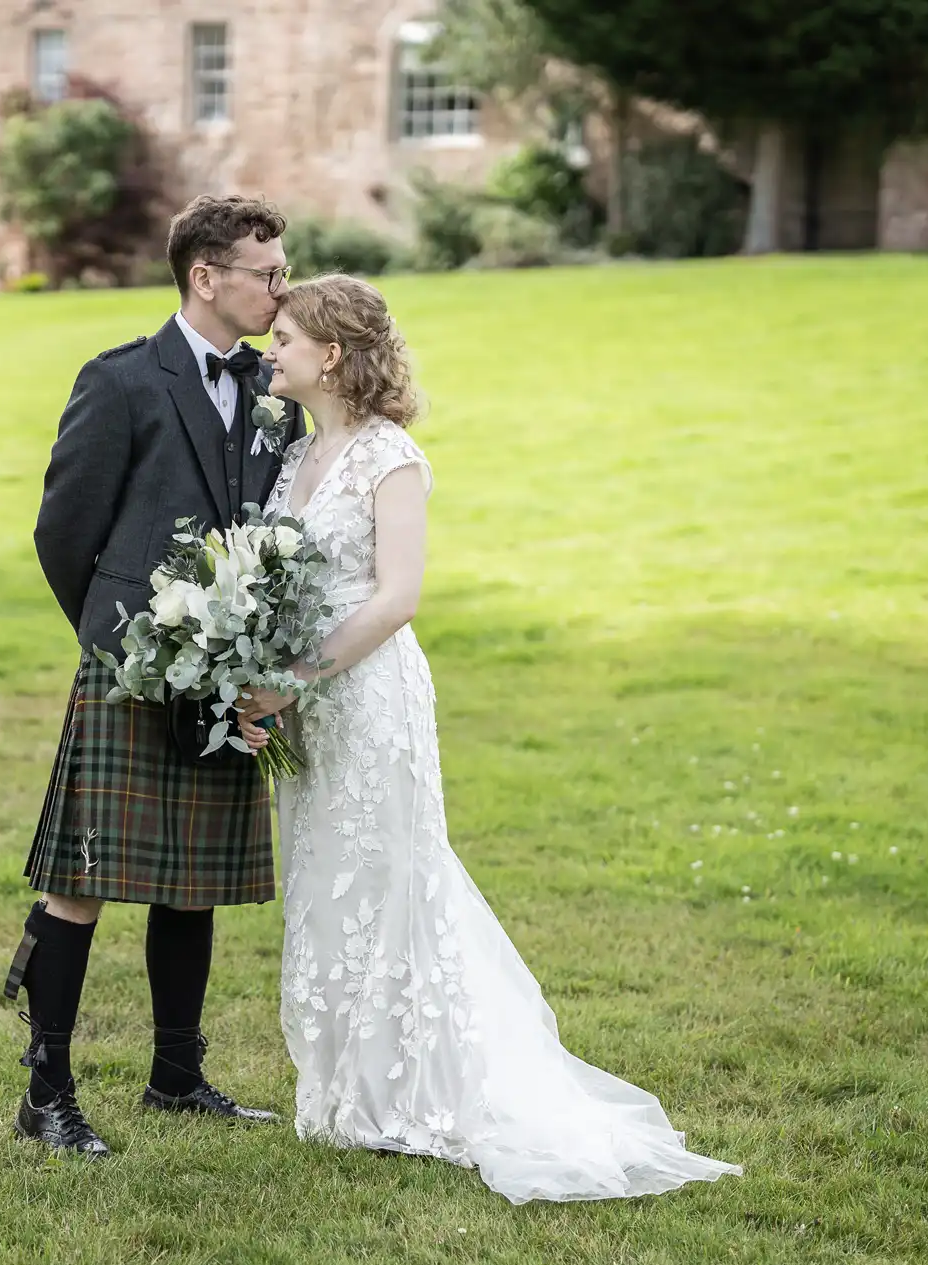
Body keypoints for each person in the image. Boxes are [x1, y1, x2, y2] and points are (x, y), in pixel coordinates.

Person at [238, 275, 743, 1202]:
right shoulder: (295, 458)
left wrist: (297, 676)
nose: (269, 350)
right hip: (308, 708)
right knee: (328, 876)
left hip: (370, 697)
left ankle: (418, 1091)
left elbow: (397, 597)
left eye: (284, 338)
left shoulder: (390, 457)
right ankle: (350, 1091)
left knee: (392, 875)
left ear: (332, 354)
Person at [11, 195, 308, 1156]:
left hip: (225, 670)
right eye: (267, 272)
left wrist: (234, 652)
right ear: (204, 276)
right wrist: (120, 640)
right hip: (133, 665)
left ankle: (177, 1077)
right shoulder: (123, 381)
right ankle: (45, 1094)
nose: (280, 288)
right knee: (85, 880)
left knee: (192, 881)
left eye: (282, 269)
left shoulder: (279, 389)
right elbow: (66, 532)